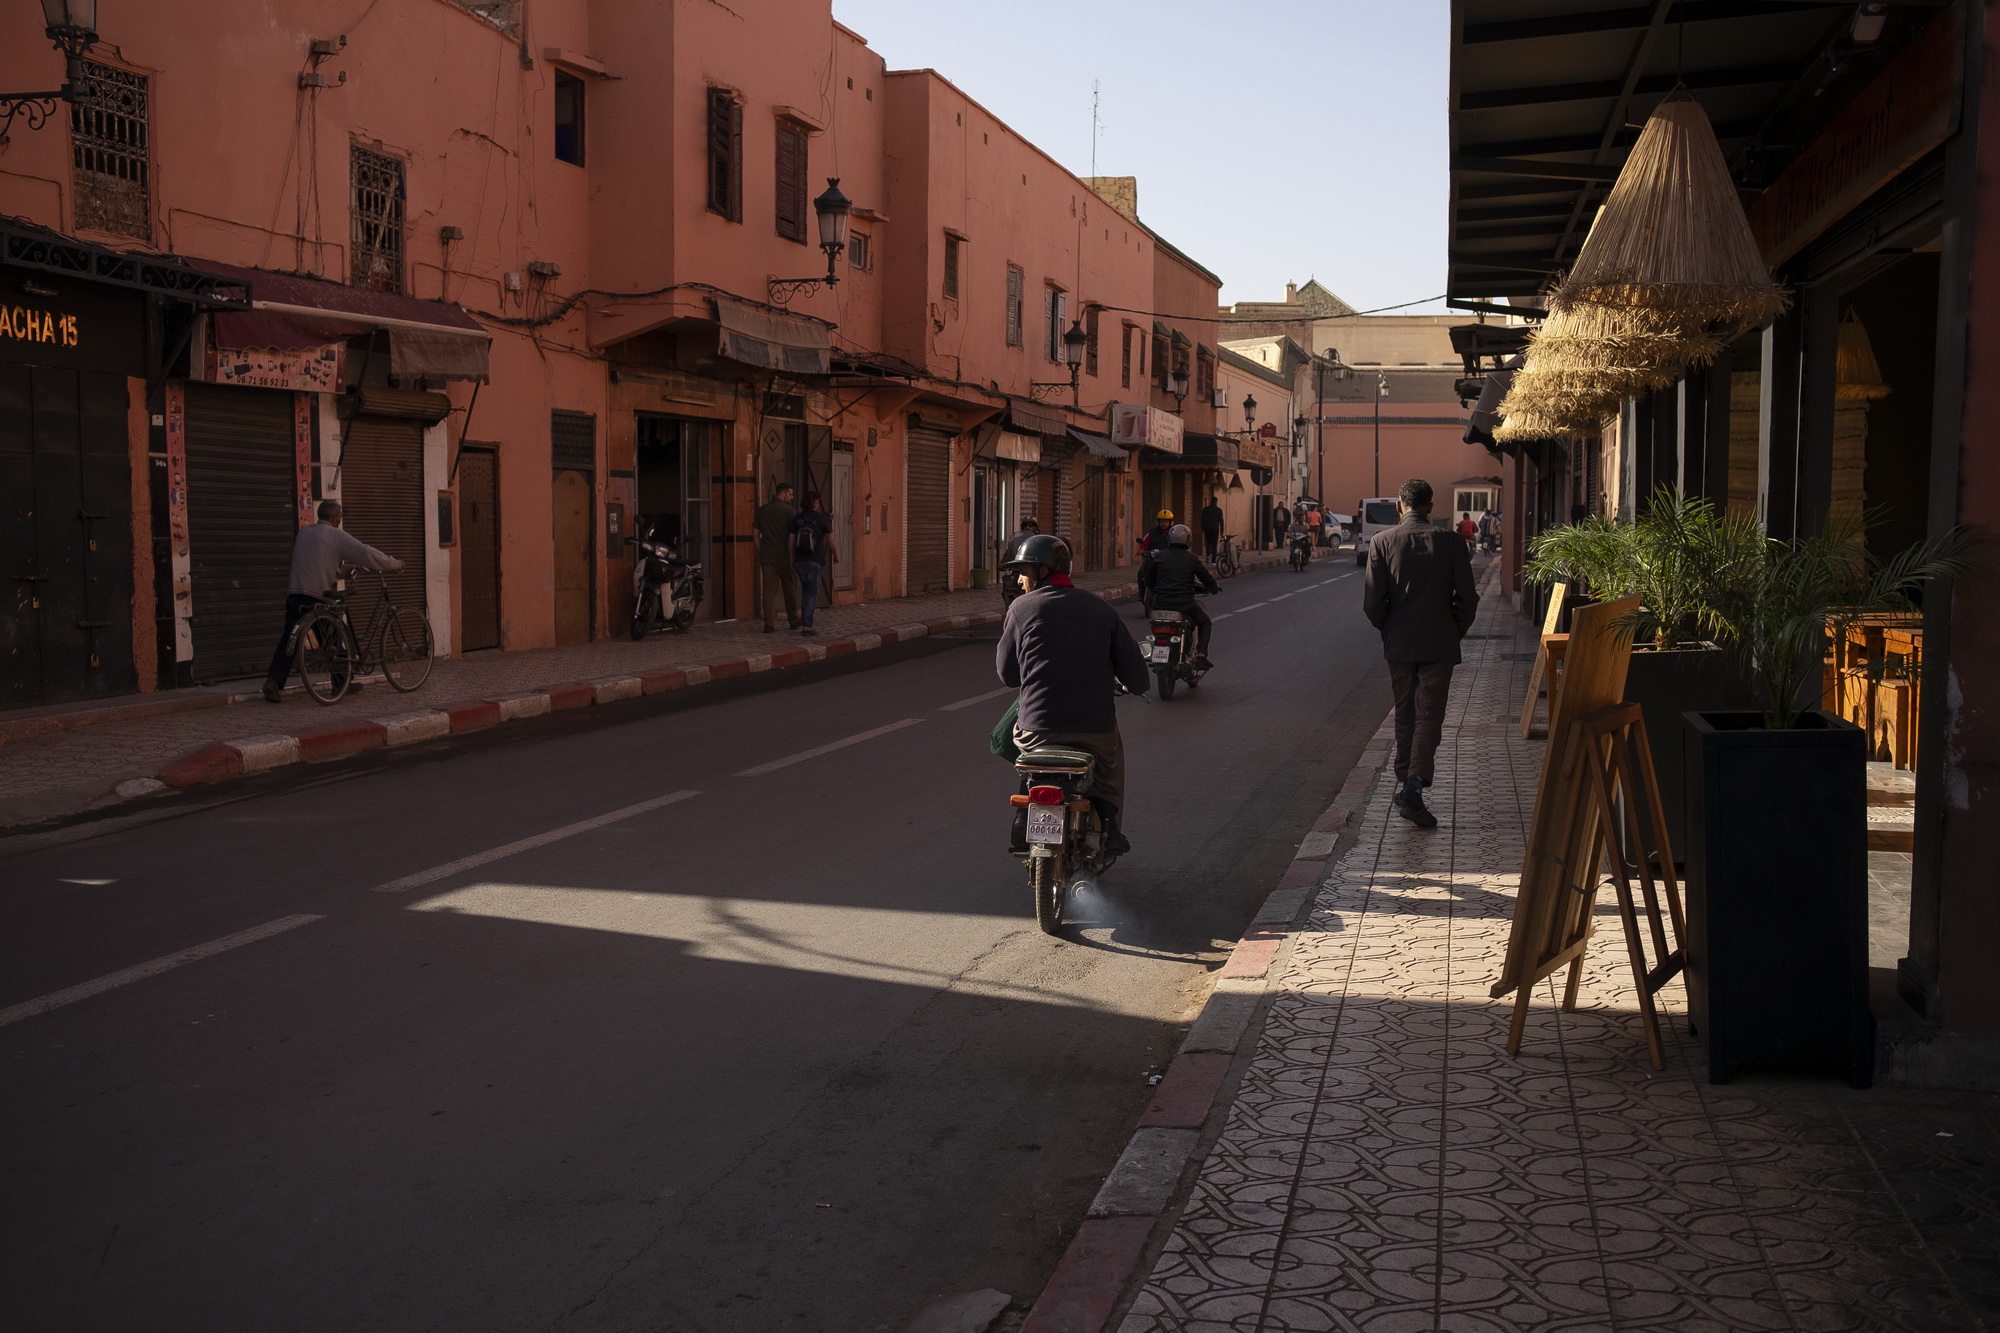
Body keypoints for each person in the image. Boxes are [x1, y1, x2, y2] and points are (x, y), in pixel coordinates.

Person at [997, 533, 1149, 855]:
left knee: (1020, 749)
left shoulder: (1021, 609)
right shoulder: (1101, 609)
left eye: (1024, 571)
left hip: (1037, 732)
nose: (1020, 580)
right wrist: (1131, 685)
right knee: (1111, 763)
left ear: (1042, 570)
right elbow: (1138, 678)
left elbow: (1008, 675)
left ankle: (1024, 810)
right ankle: (1109, 824)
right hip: (1094, 731)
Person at [1363, 478, 1478, 828]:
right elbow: (1468, 600)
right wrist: (1453, 631)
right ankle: (1414, 785)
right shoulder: (1452, 542)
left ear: (1400, 506)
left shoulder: (1381, 542)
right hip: (1438, 644)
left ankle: (1406, 782)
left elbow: (1372, 603)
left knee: (1405, 713)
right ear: (1430, 507)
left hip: (1399, 645)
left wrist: (1390, 628)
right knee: (1429, 715)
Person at [262, 499, 403, 703]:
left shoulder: (304, 533)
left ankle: (273, 682)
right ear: (336, 518)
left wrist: (349, 570)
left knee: (288, 641)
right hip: (318, 598)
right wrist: (395, 564)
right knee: (334, 639)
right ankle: (341, 683)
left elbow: (320, 564)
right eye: (340, 518)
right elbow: (367, 553)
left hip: (295, 595)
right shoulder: (336, 535)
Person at [1137, 524, 1220, 668]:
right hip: (1185, 605)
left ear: (1169, 539)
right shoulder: (1192, 559)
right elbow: (1207, 578)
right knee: (1205, 622)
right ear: (1188, 541)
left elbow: (1149, 581)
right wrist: (1213, 588)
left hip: (1160, 605)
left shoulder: (1159, 557)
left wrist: (1158, 591)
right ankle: (1201, 656)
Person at [754, 482, 800, 633]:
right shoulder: (789, 512)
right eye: (790, 494)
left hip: (767, 557)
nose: (792, 497)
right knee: (790, 590)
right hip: (785, 558)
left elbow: (755, 534)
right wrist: (792, 557)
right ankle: (793, 621)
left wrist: (761, 550)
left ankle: (769, 624)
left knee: (768, 592)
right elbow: (792, 538)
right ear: (783, 493)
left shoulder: (762, 511)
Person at [790, 491, 836, 637]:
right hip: (815, 561)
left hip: (800, 562)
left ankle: (805, 620)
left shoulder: (796, 519)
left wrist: (792, 560)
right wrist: (836, 554)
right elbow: (830, 541)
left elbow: (791, 542)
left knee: (805, 591)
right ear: (816, 503)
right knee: (811, 593)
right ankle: (807, 626)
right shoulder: (822, 519)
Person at [1199, 494, 1224, 559]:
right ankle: (1213, 559)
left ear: (1211, 501)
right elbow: (1221, 521)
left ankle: (1207, 557)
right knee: (1214, 544)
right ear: (1216, 502)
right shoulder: (1219, 510)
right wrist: (1222, 531)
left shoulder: (1205, 509)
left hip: (1207, 528)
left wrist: (1203, 528)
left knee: (1208, 543)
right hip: (1215, 528)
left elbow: (1202, 519)